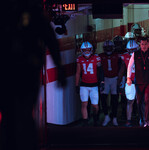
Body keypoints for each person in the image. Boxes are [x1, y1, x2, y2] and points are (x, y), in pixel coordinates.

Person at [0, 1, 66, 150]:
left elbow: (49, 38)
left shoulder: (7, 11)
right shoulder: (32, 11)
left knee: (11, 114)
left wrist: (60, 69)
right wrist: (60, 68)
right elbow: (50, 39)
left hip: (13, 72)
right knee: (21, 113)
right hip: (24, 70)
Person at [76, 41, 104, 126]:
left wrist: (102, 82)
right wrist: (76, 85)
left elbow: (100, 70)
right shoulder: (79, 59)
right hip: (84, 84)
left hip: (94, 84)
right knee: (84, 103)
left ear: (91, 49)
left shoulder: (96, 58)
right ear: (82, 50)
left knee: (95, 105)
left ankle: (95, 118)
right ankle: (85, 121)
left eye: (88, 49)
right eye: (85, 50)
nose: (87, 51)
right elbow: (77, 72)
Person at [127, 37, 149, 127]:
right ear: (140, 45)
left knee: (148, 100)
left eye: (145, 44)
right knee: (139, 101)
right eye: (142, 44)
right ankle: (141, 118)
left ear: (148, 44)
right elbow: (130, 66)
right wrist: (128, 78)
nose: (144, 46)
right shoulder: (136, 53)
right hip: (138, 81)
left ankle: (147, 120)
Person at [99, 40, 120, 126]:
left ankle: (114, 117)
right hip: (105, 79)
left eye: (109, 47)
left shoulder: (117, 56)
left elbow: (122, 66)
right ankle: (107, 116)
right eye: (106, 48)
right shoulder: (100, 56)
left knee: (114, 99)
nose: (108, 49)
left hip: (115, 79)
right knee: (103, 99)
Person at [118, 40, 139, 127]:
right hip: (130, 81)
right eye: (130, 50)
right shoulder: (124, 56)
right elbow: (122, 71)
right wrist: (119, 83)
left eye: (133, 50)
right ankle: (129, 120)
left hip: (140, 81)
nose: (131, 52)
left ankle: (143, 119)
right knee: (130, 101)